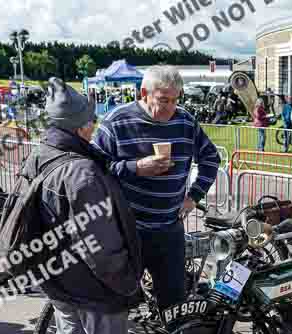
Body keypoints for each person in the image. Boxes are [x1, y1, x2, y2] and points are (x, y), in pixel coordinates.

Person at [21, 78, 143, 334]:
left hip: (57, 276)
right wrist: (126, 282)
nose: (94, 125)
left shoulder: (40, 153)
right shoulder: (82, 172)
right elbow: (101, 246)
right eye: (90, 120)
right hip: (91, 282)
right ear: (79, 125)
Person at [91, 65, 220, 314]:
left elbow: (211, 159)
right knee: (116, 303)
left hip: (169, 230)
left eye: (175, 100)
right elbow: (93, 170)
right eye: (163, 100)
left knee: (174, 305)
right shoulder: (117, 121)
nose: (170, 108)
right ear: (143, 93)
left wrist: (194, 196)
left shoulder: (185, 121)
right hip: (127, 230)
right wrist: (135, 167)